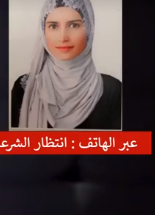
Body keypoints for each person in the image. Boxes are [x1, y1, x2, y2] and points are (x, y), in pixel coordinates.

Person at [11, 0, 121, 130]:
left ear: (89, 30)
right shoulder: (25, 88)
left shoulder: (113, 90)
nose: (63, 37)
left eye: (74, 25)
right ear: (43, 32)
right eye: (53, 26)